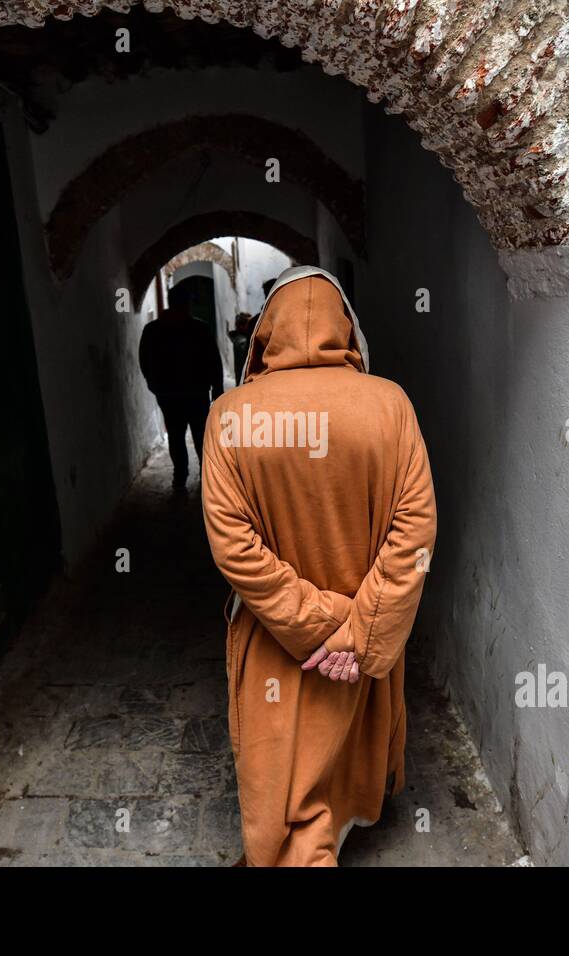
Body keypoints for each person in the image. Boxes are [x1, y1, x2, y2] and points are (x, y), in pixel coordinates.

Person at [201, 266, 438, 866]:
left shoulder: (230, 418)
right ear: (346, 328)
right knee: (346, 766)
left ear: (265, 334)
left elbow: (234, 545)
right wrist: (358, 628)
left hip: (281, 645)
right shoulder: (391, 406)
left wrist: (315, 622)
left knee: (289, 793)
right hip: (360, 649)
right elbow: (414, 532)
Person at [138, 305, 224, 491]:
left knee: (176, 436)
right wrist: (217, 388)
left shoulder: (153, 329)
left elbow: (144, 359)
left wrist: (155, 385)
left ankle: (180, 476)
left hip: (169, 394)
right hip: (196, 392)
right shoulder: (200, 328)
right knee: (200, 434)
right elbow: (213, 359)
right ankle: (205, 475)